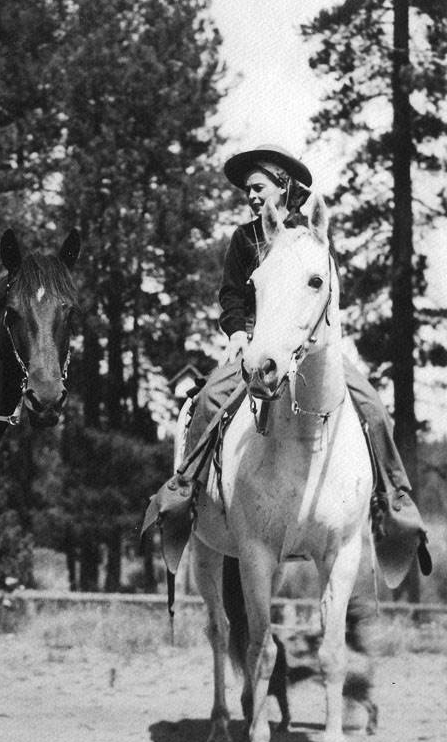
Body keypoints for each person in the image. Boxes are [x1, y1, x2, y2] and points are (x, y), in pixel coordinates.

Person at [146, 144, 430, 575]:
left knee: (373, 409)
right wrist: (239, 333)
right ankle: (187, 494)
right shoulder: (245, 239)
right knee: (206, 401)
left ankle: (392, 503)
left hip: (310, 346)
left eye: (258, 187)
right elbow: (231, 295)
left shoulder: (312, 235)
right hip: (259, 348)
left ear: (283, 184)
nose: (252, 197)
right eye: (247, 192)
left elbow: (324, 294)